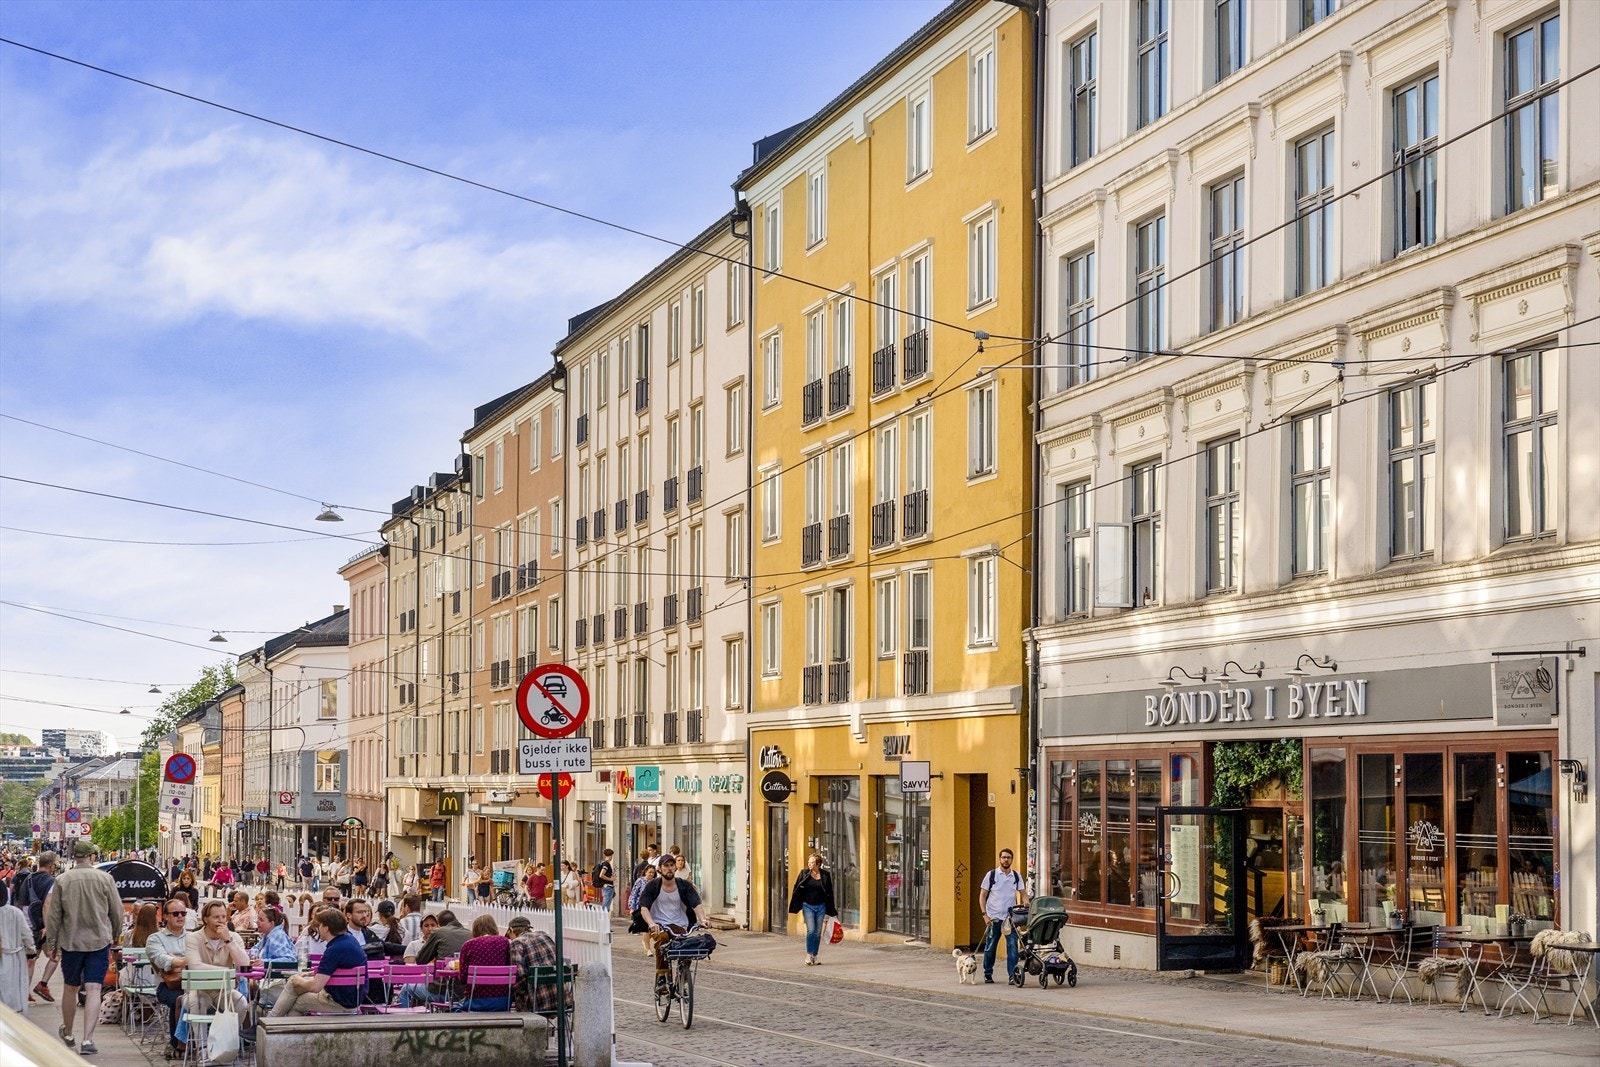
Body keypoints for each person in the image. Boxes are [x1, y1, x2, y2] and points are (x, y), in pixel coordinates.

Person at [44, 841, 124, 1055]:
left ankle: (69, 1032)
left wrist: (52, 943)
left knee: (70, 988)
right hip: (99, 941)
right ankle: (88, 1039)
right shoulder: (105, 878)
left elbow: (54, 915)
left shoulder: (62, 880)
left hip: (71, 941)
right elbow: (117, 911)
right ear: (92, 857)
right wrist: (115, 935)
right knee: (94, 989)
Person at [270, 909, 363, 1016]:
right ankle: (274, 1020)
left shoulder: (334, 950)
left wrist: (297, 980)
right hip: (353, 1000)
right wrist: (310, 974)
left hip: (339, 1003)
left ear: (326, 928)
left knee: (296, 997)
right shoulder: (350, 941)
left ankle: (272, 1021)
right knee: (296, 989)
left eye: (319, 926)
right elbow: (335, 970)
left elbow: (316, 986)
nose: (317, 929)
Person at [637, 853, 701, 995]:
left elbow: (696, 903)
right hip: (659, 924)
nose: (670, 868)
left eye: (672, 865)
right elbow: (644, 907)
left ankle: (682, 978)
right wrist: (651, 922)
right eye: (666, 865)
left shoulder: (683, 885)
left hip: (680, 924)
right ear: (660, 869)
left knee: (688, 947)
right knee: (662, 940)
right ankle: (661, 977)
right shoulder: (653, 886)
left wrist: (703, 919)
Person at [184, 901, 250, 1023]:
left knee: (240, 1003)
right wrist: (227, 972)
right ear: (205, 919)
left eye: (223, 917)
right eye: (216, 917)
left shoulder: (233, 937)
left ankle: (231, 1039)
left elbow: (245, 965)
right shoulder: (193, 938)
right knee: (196, 1003)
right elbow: (195, 967)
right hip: (200, 989)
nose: (221, 921)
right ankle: (201, 1042)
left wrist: (229, 941)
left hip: (224, 990)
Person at [145, 898, 191, 1058]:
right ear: (165, 916)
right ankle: (177, 1044)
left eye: (183, 913)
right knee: (179, 999)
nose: (180, 917)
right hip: (169, 986)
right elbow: (164, 962)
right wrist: (189, 960)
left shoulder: (194, 937)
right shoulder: (155, 939)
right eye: (176, 913)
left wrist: (177, 960)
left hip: (194, 983)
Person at [979, 847, 1029, 985]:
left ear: (1012, 860)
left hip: (1009, 918)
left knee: (1012, 946)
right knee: (990, 947)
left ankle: (1012, 975)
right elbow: (982, 896)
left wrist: (1026, 902)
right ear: (1000, 859)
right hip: (994, 917)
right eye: (1003, 857)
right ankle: (987, 973)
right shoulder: (992, 875)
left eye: (1008, 857)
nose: (1006, 860)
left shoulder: (1016, 876)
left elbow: (1023, 892)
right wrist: (985, 915)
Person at [787, 851, 839, 966]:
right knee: (811, 930)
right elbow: (796, 888)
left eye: (812, 863)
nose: (810, 865)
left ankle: (815, 955)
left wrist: (832, 910)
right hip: (808, 905)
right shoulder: (804, 873)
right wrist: (797, 903)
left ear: (818, 864)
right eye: (809, 862)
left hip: (821, 906)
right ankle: (809, 954)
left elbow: (829, 893)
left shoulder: (825, 875)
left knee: (817, 932)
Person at [22, 850, 57, 1002]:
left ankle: (24, 992)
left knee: (30, 960)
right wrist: (48, 926)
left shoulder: (27, 878)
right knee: (55, 955)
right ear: (51, 865)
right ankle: (42, 984)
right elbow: (47, 905)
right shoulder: (51, 881)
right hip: (42, 927)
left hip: (27, 924)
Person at [457, 914, 512, 1010]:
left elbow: (463, 978)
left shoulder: (468, 945)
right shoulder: (505, 942)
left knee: (455, 1007)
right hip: (503, 1001)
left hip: (475, 1001)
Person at [0, 881, 33, 1013]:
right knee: (13, 989)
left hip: (6, 954)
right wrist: (31, 950)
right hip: (13, 958)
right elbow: (26, 934)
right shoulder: (15, 913)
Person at [593, 849, 616, 914]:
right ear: (611, 856)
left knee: (606, 904)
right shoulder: (606, 864)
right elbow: (601, 875)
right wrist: (610, 879)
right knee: (606, 905)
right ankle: (603, 919)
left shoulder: (603, 863)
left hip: (606, 886)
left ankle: (603, 918)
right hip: (608, 887)